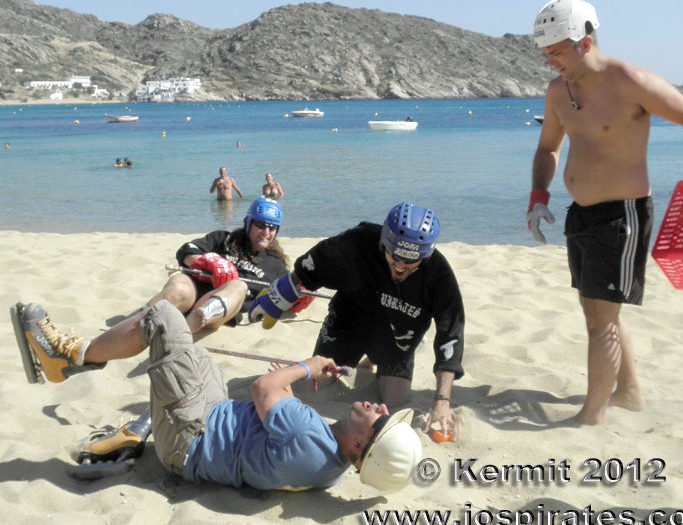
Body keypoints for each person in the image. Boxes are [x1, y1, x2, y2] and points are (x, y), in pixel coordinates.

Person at [526, 0, 683, 425]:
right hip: (581, 214)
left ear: (584, 42)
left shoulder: (630, 81)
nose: (550, 62)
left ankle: (592, 417)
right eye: (546, 54)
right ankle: (629, 391)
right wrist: (538, 197)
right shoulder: (557, 91)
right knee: (596, 309)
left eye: (557, 52)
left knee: (602, 319)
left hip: (623, 216)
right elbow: (548, 147)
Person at [15, 300, 422, 492]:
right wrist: (283, 384)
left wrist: (308, 366)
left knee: (163, 317)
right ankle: (142, 426)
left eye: (382, 420)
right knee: (198, 354)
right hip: (211, 425)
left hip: (189, 436)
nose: (383, 407)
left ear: (361, 446)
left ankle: (70, 357)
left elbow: (263, 389)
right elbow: (274, 415)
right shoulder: (331, 468)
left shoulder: (307, 434)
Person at [13, 197, 291, 385]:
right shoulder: (224, 239)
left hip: (219, 309)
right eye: (260, 225)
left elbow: (276, 300)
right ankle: (80, 354)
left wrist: (291, 298)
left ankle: (179, 330)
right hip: (194, 291)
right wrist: (206, 260)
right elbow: (186, 250)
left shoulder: (275, 265)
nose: (266, 232)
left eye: (272, 228)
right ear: (248, 223)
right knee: (178, 285)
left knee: (238, 284)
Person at [248, 202, 466, 439]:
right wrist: (276, 299)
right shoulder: (358, 242)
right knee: (318, 385)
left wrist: (442, 400)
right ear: (384, 242)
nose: (400, 266)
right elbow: (310, 267)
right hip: (349, 320)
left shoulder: (439, 273)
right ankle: (361, 356)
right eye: (394, 255)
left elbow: (451, 334)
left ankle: (372, 358)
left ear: (426, 255)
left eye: (411, 260)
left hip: (397, 334)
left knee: (396, 398)